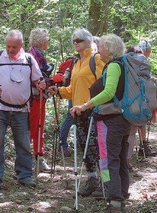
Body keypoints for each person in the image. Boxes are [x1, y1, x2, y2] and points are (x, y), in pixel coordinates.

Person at [71, 34, 131, 212]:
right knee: (119, 158)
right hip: (122, 118)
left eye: (102, 47)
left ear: (110, 50)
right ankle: (120, 193)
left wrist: (86, 105)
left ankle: (113, 199)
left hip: (111, 120)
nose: (99, 49)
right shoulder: (122, 64)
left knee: (108, 159)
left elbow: (109, 92)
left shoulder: (113, 66)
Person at [0, 30, 46, 190]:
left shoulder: (29, 59)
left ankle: (25, 175)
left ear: (21, 45)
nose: (10, 50)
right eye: (8, 46)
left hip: (22, 110)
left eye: (14, 47)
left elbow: (37, 80)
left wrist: (41, 85)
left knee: (23, 144)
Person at [48, 28, 105, 197]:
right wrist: (58, 91)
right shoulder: (76, 63)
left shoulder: (96, 59)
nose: (75, 43)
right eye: (73, 40)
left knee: (100, 150)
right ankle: (92, 181)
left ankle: (107, 183)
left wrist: (91, 104)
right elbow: (73, 90)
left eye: (78, 40)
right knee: (86, 149)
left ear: (89, 41)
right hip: (79, 113)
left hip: (95, 111)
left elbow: (105, 84)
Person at [126, 40, 157, 163]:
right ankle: (140, 147)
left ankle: (136, 150)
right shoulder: (141, 61)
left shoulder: (128, 61)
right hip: (139, 98)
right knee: (138, 123)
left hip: (130, 98)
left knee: (135, 124)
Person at [28, 28, 53, 172]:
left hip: (40, 97)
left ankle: (39, 157)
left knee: (39, 127)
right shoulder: (32, 55)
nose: (48, 42)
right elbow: (34, 78)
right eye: (47, 39)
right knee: (33, 128)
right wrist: (48, 81)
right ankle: (28, 160)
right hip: (34, 97)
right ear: (42, 41)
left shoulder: (39, 55)